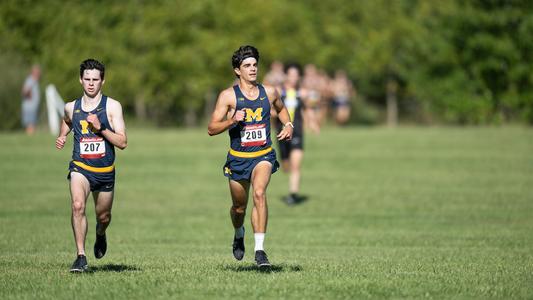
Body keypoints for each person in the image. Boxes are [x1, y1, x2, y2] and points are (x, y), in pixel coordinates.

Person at [207, 45, 293, 268]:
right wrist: (232, 120)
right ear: (238, 70)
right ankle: (238, 232)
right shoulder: (228, 96)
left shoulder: (270, 92)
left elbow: (282, 109)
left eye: (255, 65)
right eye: (247, 66)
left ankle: (260, 250)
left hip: (263, 155)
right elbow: (211, 128)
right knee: (239, 208)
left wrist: (289, 124)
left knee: (260, 193)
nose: (253, 69)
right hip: (238, 159)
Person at [55, 59, 127, 273]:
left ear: (102, 81)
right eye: (87, 79)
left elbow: (122, 142)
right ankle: (80, 256)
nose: (91, 83)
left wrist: (101, 128)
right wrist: (62, 135)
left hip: (105, 172)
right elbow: (67, 120)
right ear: (80, 80)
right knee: (77, 205)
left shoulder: (112, 107)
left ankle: (101, 233)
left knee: (103, 217)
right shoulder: (71, 107)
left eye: (95, 79)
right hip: (80, 167)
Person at [274, 63, 319, 205]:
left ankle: (293, 195)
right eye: (291, 74)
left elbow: (307, 109)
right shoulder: (277, 92)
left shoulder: (303, 93)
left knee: (296, 165)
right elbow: (269, 110)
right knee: (286, 166)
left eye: (296, 75)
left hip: (297, 132)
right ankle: (285, 163)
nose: (293, 78)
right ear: (286, 75)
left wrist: (312, 123)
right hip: (281, 133)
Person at [21, 65, 41, 135]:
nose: (39, 74)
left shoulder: (35, 81)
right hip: (30, 106)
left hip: (32, 106)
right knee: (30, 124)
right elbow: (24, 91)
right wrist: (29, 95)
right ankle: (30, 136)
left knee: (32, 123)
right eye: (37, 72)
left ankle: (31, 136)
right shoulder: (30, 80)